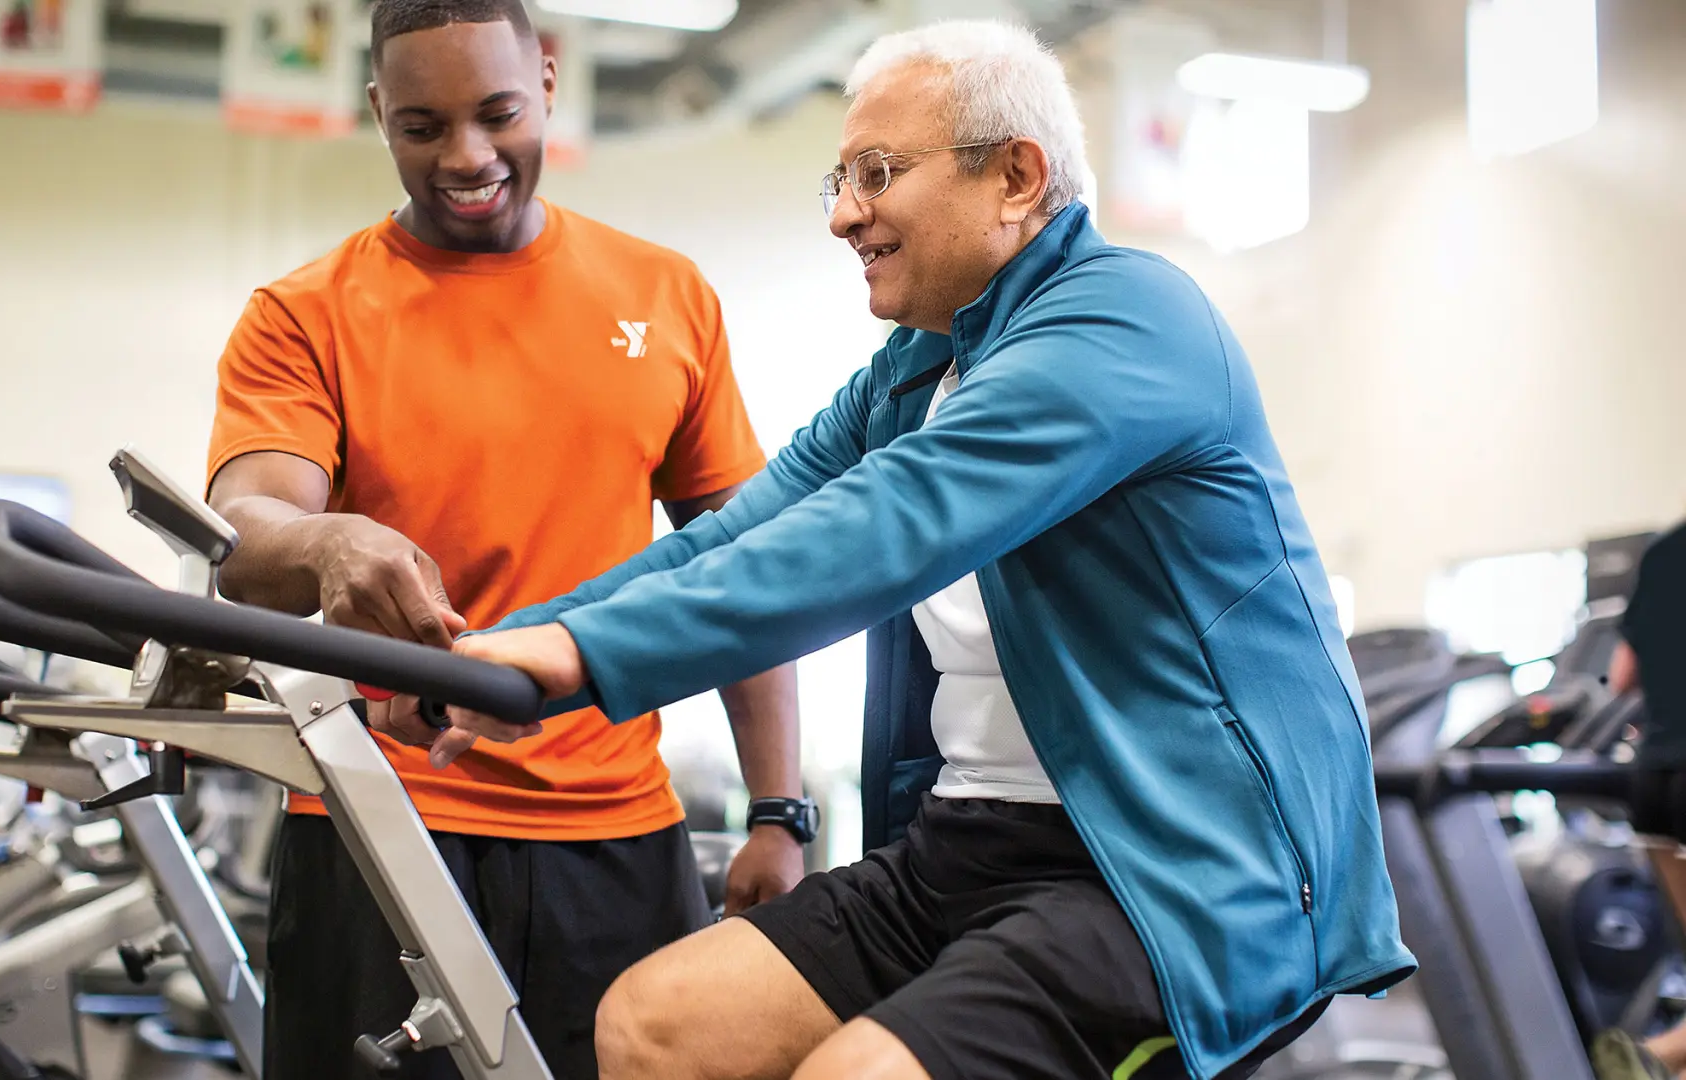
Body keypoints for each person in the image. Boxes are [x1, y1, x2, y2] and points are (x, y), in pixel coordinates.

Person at [438, 19, 1417, 1080]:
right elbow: (739, 534)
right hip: (971, 843)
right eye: (839, 180)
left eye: (877, 173)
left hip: (1182, 873)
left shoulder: (1125, 321)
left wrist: (582, 662)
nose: (846, 214)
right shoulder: (915, 368)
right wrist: (507, 649)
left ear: (1015, 176)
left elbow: (884, 528)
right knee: (656, 1022)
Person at [202, 2, 809, 1077]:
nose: (468, 157)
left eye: (497, 114)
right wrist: (330, 542)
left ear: (549, 80)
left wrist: (778, 808)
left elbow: (741, 567)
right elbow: (248, 527)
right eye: (423, 127)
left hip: (615, 831)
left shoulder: (665, 296)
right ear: (379, 113)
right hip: (374, 822)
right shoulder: (306, 313)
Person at [1590, 521, 1686, 1080]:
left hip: (1656, 782)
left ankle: (1655, 1058)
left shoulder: (1663, 553)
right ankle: (1654, 1056)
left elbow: (1622, 675)